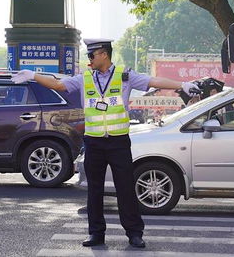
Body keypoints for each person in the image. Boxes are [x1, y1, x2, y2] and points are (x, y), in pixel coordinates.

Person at [11, 39, 200, 248]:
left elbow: (153, 81)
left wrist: (181, 85)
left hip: (118, 142)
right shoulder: (84, 78)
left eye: (92, 55)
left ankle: (134, 233)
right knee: (95, 190)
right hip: (94, 143)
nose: (89, 59)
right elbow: (57, 84)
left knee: (126, 188)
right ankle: (96, 233)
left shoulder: (124, 75)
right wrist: (33, 76)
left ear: (104, 55)